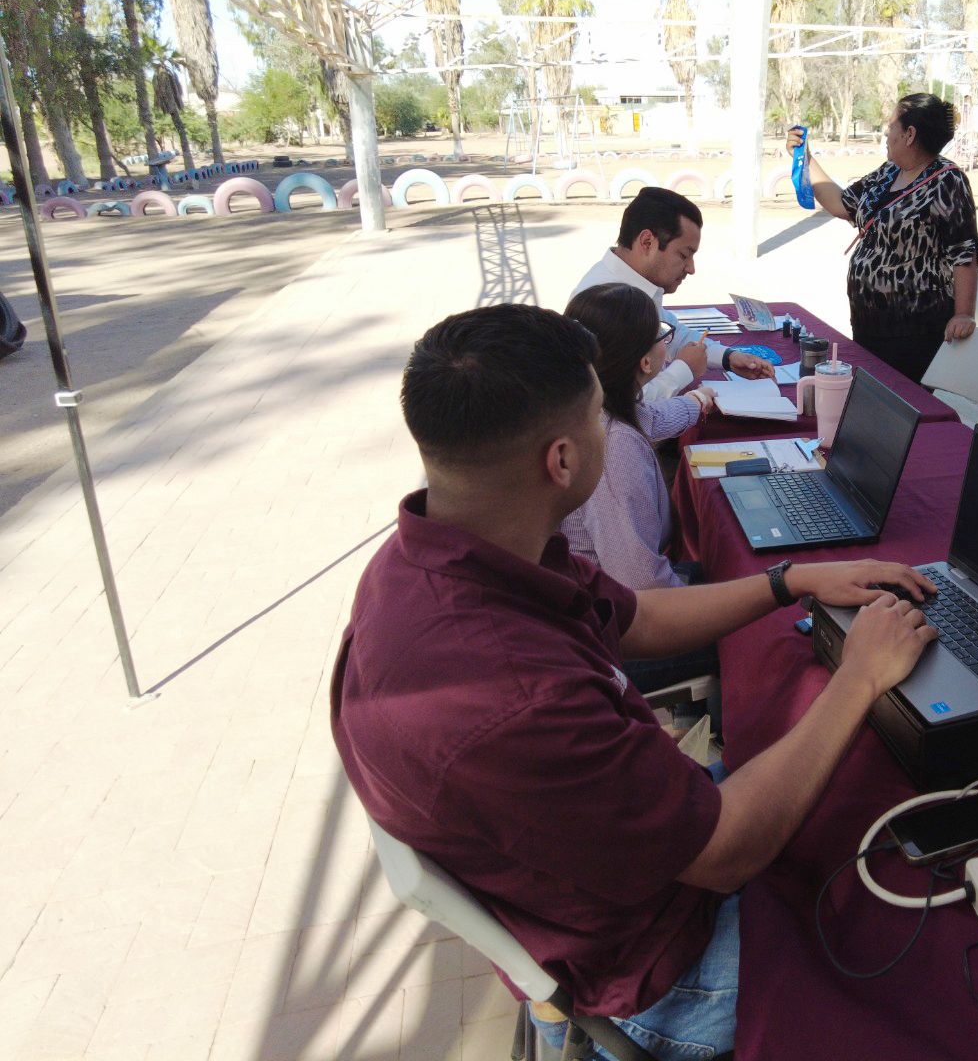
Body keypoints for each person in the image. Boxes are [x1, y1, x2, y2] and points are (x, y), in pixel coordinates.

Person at [330, 303, 936, 1060]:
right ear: (561, 460)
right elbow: (727, 852)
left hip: (600, 869)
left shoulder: (443, 550)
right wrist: (860, 676)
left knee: (859, 805)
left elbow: (637, 617)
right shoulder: (516, 696)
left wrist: (792, 581)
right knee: (915, 950)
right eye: (599, 414)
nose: (616, 427)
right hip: (657, 973)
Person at [787, 93, 978, 382]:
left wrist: (963, 314)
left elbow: (964, 252)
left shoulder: (948, 181)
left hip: (915, 331)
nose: (886, 132)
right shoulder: (889, 172)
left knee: (905, 406)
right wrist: (806, 158)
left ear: (909, 134)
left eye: (891, 125)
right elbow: (843, 204)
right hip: (869, 324)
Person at [572, 186, 773, 431]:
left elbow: (671, 331)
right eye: (684, 255)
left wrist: (728, 358)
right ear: (647, 242)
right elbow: (621, 407)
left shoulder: (638, 283)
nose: (691, 268)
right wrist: (684, 370)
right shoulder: (604, 299)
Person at [560, 282, 710, 592]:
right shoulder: (615, 448)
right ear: (644, 361)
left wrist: (698, 401)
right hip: (610, 616)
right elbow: (644, 587)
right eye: (662, 334)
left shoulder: (591, 406)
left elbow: (652, 418)